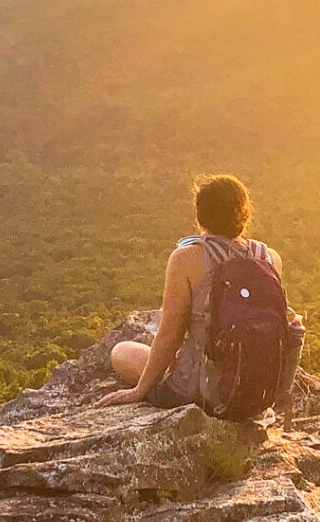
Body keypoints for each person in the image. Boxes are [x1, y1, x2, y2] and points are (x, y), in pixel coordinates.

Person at [100, 174, 285, 412]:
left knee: (122, 352)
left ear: (201, 216)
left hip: (201, 390)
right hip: (255, 388)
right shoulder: (270, 258)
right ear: (245, 214)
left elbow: (170, 334)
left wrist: (140, 391)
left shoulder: (186, 259)